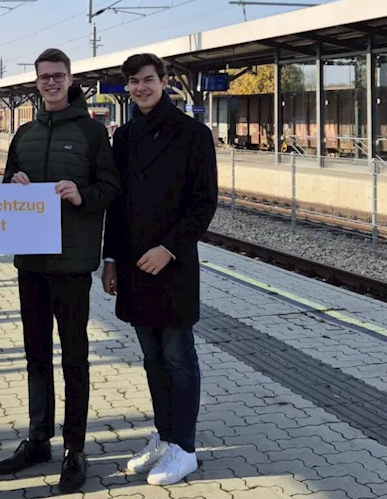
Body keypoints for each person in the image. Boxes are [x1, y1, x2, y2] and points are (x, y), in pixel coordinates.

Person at [0, 48, 121, 493]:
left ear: (70, 80)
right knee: (35, 356)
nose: (51, 83)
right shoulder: (23, 133)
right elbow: (7, 182)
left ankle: (74, 449)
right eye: (44, 77)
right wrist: (14, 184)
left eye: (58, 76)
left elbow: (111, 188)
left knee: (75, 358)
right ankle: (38, 439)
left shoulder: (92, 132)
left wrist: (82, 193)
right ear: (36, 81)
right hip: (30, 263)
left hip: (71, 265)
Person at [102, 53, 218, 486]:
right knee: (152, 359)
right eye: (133, 82)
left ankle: (184, 448)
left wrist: (168, 249)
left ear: (165, 82)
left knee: (178, 356)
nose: (140, 88)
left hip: (172, 266)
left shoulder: (193, 134)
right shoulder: (125, 136)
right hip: (132, 265)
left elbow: (204, 202)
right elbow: (116, 204)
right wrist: (110, 258)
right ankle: (164, 436)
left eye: (147, 80)